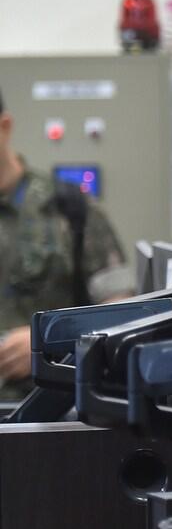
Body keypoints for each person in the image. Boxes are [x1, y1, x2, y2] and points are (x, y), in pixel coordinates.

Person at [0, 89, 129, 398]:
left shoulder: (69, 209)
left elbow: (123, 312)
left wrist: (46, 340)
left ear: (4, 127)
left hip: (47, 414)